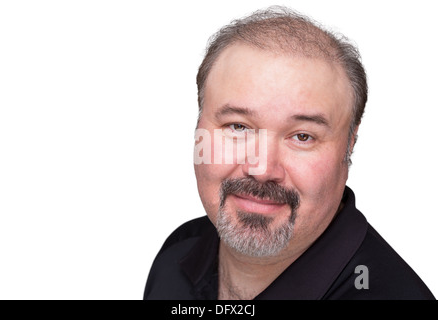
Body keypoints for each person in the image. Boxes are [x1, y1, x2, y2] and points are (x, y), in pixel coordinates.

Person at [143, 6, 435, 300]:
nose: (262, 169)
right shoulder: (177, 254)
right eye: (238, 126)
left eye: (302, 136)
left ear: (349, 145)